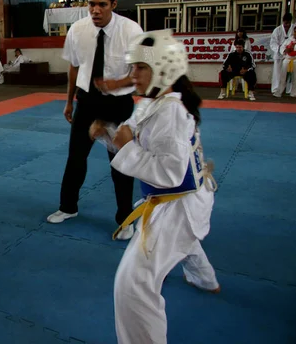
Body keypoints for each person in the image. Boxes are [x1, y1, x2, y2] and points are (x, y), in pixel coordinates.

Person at [90, 29, 220, 344]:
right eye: (133, 66)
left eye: (140, 67)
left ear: (164, 69)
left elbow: (170, 173)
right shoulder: (154, 102)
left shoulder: (172, 110)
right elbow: (134, 140)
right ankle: (205, 280)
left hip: (179, 202)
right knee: (186, 243)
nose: (133, 74)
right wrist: (108, 134)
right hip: (183, 197)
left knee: (132, 284)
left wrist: (123, 148)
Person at [46, 0, 143, 242]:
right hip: (86, 102)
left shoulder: (131, 30)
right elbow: (74, 68)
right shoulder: (77, 29)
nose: (95, 10)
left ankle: (125, 219)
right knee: (75, 157)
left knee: (120, 164)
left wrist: (116, 83)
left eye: (102, 5)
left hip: (118, 104)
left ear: (113, 4)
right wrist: (68, 101)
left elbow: (140, 74)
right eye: (91, 4)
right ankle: (68, 207)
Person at [270, 13, 295, 95]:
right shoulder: (277, 30)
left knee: (291, 73)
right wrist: (282, 49)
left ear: (291, 22)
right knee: (277, 73)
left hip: (291, 55)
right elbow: (273, 43)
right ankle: (276, 89)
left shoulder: (294, 29)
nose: (287, 25)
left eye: (288, 23)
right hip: (279, 55)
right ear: (283, 21)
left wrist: (290, 49)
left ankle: (291, 90)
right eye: (285, 23)